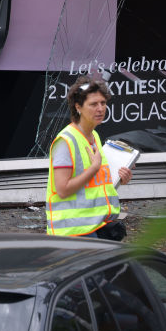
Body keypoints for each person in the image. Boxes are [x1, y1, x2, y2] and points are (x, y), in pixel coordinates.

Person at [46, 76, 132, 238]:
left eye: (103, 103)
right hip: (74, 233)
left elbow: (95, 185)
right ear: (78, 107)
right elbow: (62, 190)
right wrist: (93, 169)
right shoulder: (66, 141)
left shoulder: (94, 136)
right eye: (93, 104)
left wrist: (120, 178)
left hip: (97, 226)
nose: (100, 108)